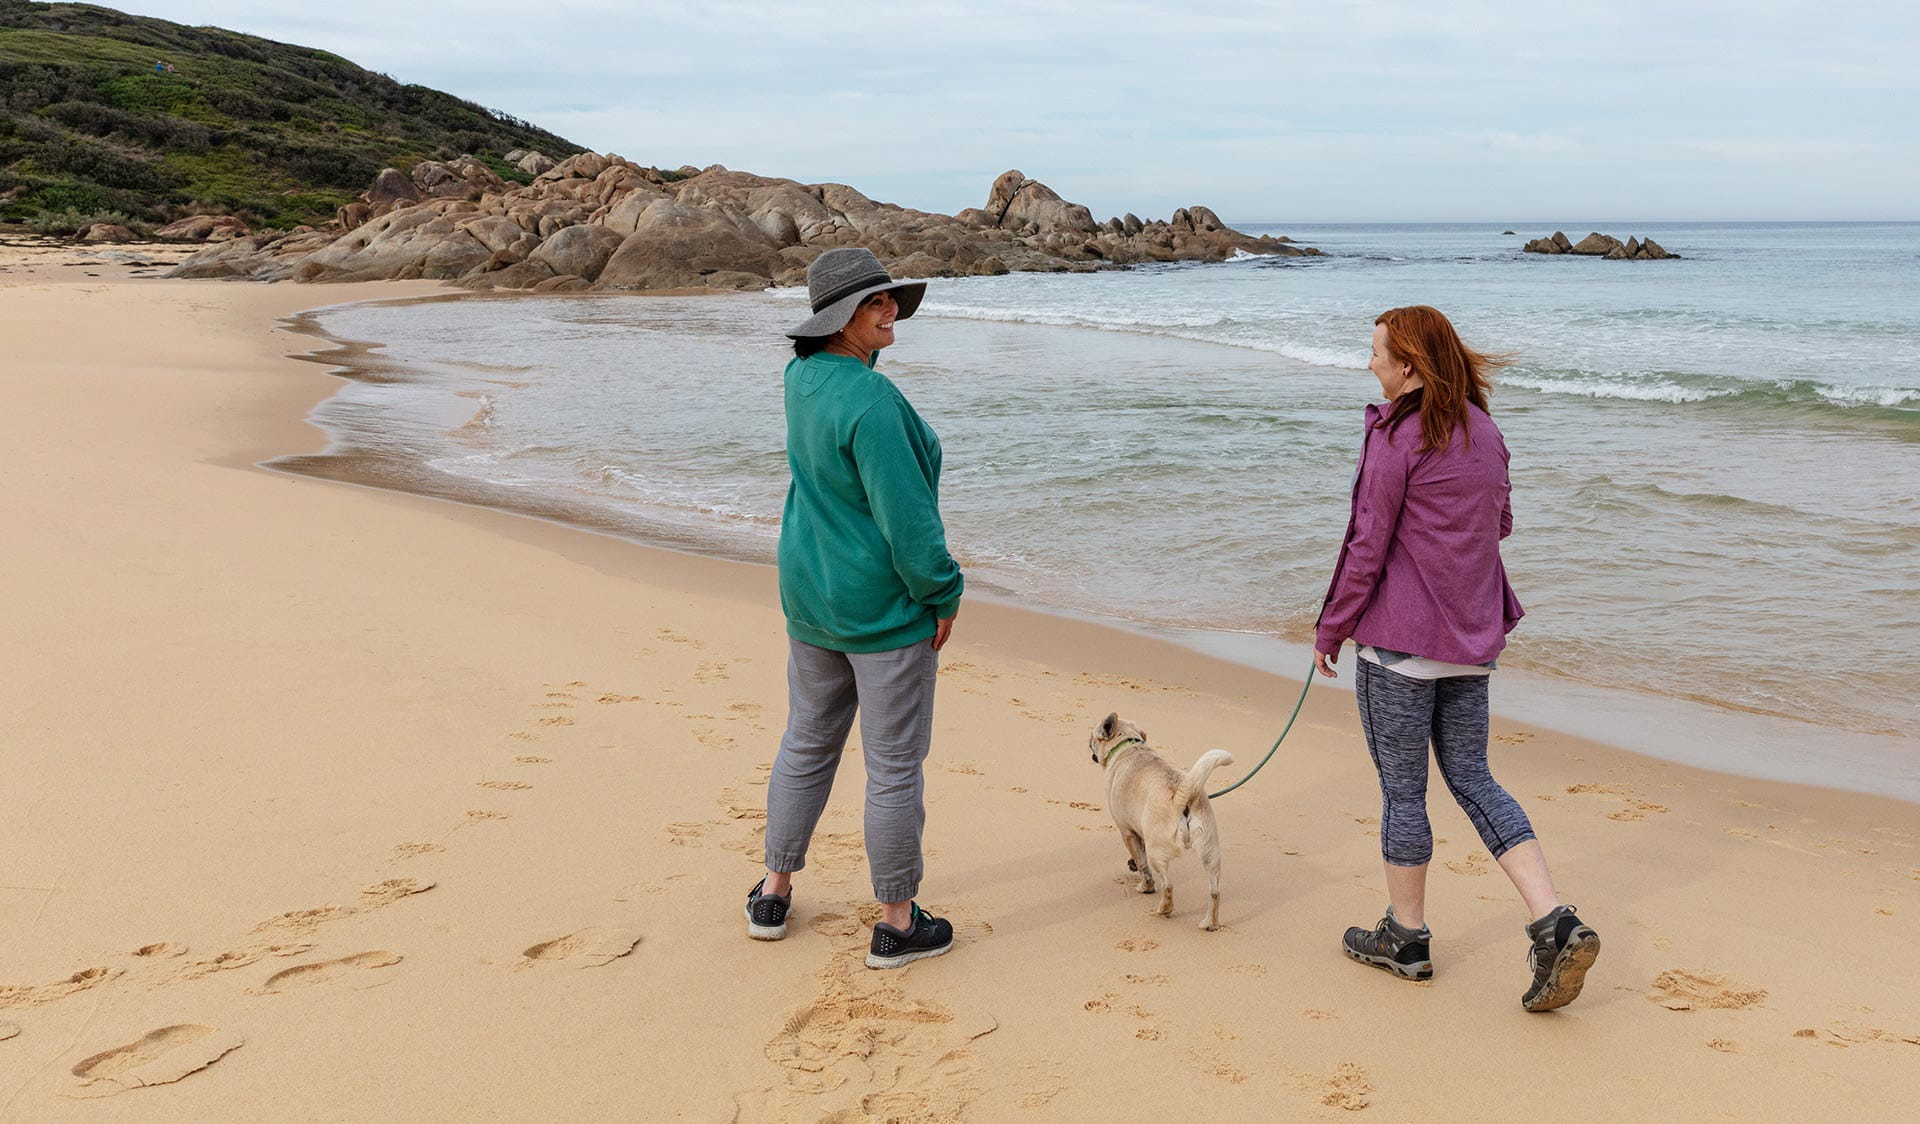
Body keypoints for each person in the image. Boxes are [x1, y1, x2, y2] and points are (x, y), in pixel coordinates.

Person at [1313, 305, 1599, 1011]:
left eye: (1378, 353)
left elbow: (1366, 543)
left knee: (1404, 793)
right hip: (1472, 640)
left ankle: (1406, 939)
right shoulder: (1487, 431)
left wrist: (1330, 628)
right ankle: (1554, 919)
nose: (1371, 364)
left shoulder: (1396, 435)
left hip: (1402, 646)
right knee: (1473, 777)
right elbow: (1498, 524)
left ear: (1408, 364)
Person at [744, 248, 964, 970]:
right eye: (877, 303)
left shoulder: (800, 378)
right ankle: (897, 924)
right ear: (843, 317)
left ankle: (773, 890)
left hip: (812, 594)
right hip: (879, 610)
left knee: (806, 742)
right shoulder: (872, 402)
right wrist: (943, 592)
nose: (891, 310)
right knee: (894, 767)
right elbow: (908, 525)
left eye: (891, 300)